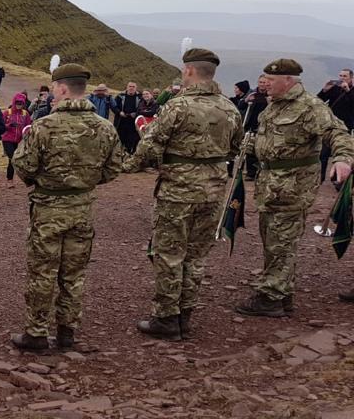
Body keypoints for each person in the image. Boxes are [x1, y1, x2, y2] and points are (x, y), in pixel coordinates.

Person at [125, 49, 242, 339]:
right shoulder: (230, 109)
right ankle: (185, 315)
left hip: (178, 191)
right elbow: (236, 148)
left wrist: (128, 166)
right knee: (196, 255)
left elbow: (150, 146)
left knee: (169, 254)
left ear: (188, 71)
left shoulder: (178, 107)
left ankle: (166, 318)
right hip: (213, 191)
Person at [11, 64, 121, 350]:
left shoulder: (42, 127)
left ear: (60, 89)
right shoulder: (105, 127)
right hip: (83, 207)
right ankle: (67, 331)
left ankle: (36, 332)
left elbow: (23, 166)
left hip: (48, 209)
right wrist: (84, 182)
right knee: (74, 273)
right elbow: (113, 169)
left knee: (43, 271)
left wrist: (46, 180)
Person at [236, 59, 354, 316]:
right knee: (274, 239)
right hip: (271, 185)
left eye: (271, 79)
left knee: (281, 240)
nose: (265, 83)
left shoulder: (308, 106)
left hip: (293, 186)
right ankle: (283, 292)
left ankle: (270, 297)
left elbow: (337, 131)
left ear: (289, 81)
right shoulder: (273, 108)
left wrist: (343, 159)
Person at [317, 69, 354, 182]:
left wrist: (348, 91)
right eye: (340, 75)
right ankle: (321, 177)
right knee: (323, 153)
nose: (342, 78)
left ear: (351, 78)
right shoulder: (334, 88)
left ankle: (338, 179)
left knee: (342, 153)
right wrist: (324, 90)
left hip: (345, 126)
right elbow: (318, 100)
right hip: (330, 125)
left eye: (345, 76)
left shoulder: (352, 90)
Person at [0, 93, 31, 182]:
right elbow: (1, 126)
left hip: (20, 140)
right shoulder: (7, 113)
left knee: (17, 159)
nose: (19, 105)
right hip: (7, 139)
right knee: (12, 158)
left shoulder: (25, 114)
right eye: (17, 103)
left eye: (21, 103)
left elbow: (28, 126)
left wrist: (27, 133)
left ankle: (12, 178)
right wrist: (9, 125)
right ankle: (10, 179)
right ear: (14, 102)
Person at [113, 82, 141, 153]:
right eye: (130, 86)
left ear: (136, 88)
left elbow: (142, 108)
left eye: (133, 86)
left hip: (133, 124)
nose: (131, 88)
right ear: (127, 87)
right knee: (119, 140)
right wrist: (119, 112)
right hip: (121, 122)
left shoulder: (140, 97)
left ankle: (128, 154)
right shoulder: (120, 96)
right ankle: (119, 154)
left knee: (131, 141)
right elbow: (114, 107)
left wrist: (136, 113)